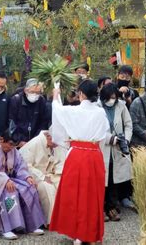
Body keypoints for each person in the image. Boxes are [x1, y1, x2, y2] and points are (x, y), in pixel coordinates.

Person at [50, 80, 110, 244]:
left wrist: (56, 95)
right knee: (92, 195)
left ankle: (78, 233)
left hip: (77, 155)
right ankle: (90, 233)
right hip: (94, 155)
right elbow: (104, 136)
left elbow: (57, 111)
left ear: (81, 94)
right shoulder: (100, 113)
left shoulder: (73, 111)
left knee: (75, 195)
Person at [0, 131, 46, 240]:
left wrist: (27, 177)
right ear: (1, 140)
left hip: (9, 179)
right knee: (10, 192)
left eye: (14, 145)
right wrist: (4, 180)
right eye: (10, 144)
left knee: (29, 188)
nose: (12, 148)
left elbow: (20, 166)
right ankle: (6, 229)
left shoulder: (13, 150)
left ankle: (31, 226)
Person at [98, 83, 133, 221]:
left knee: (113, 179)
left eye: (114, 97)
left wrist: (126, 140)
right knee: (102, 179)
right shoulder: (97, 107)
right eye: (110, 97)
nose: (112, 100)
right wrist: (110, 139)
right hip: (103, 147)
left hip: (118, 148)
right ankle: (101, 208)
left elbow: (129, 124)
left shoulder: (121, 106)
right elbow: (96, 129)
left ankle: (112, 207)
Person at [19, 130, 67, 225]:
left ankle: (64, 219)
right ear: (49, 138)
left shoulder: (56, 144)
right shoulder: (35, 143)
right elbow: (26, 165)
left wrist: (56, 172)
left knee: (63, 184)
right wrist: (43, 177)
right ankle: (50, 221)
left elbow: (61, 162)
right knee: (46, 187)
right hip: (35, 176)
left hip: (51, 174)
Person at [8, 79, 49, 147]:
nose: (35, 95)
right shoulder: (16, 100)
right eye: (32, 92)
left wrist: (36, 139)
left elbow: (43, 123)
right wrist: (18, 140)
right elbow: (11, 123)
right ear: (25, 90)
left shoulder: (41, 101)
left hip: (35, 142)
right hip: (19, 143)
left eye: (38, 92)